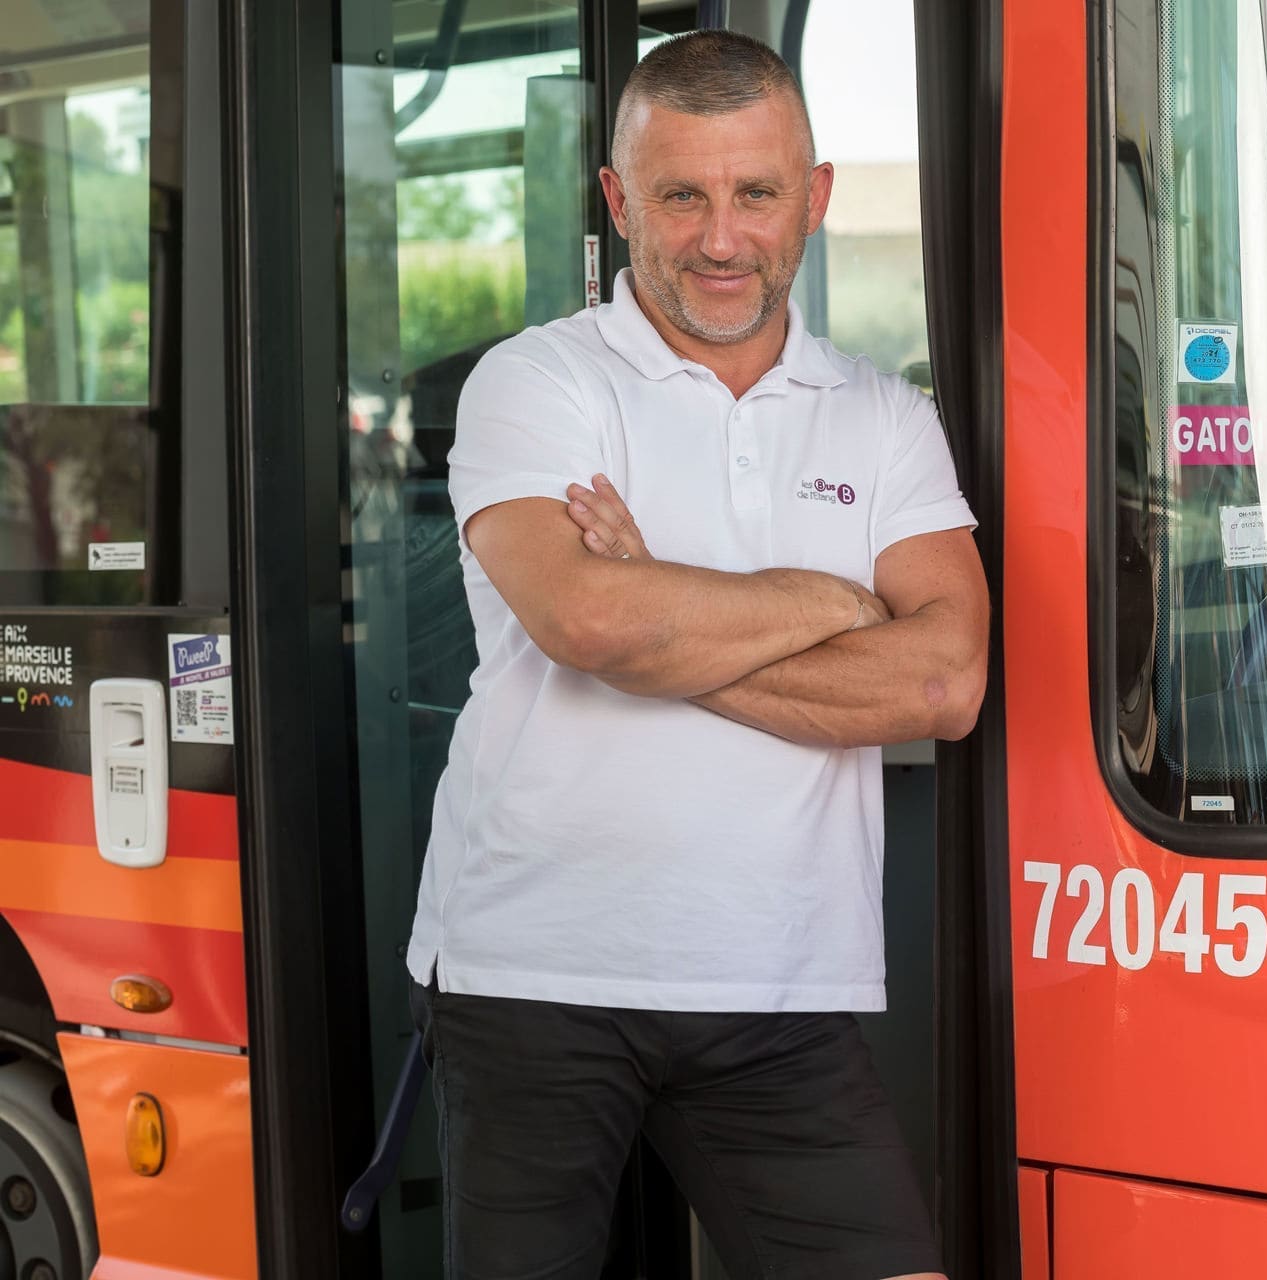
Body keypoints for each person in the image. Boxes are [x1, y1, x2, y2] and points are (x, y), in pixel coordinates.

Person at [404, 28, 987, 1280]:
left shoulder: (883, 419)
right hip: (531, 970)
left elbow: (943, 681)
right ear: (620, 202)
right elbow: (589, 622)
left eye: (757, 192)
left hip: (780, 987)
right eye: (682, 194)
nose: (722, 238)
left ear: (814, 198)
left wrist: (666, 614)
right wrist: (838, 598)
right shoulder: (536, 384)